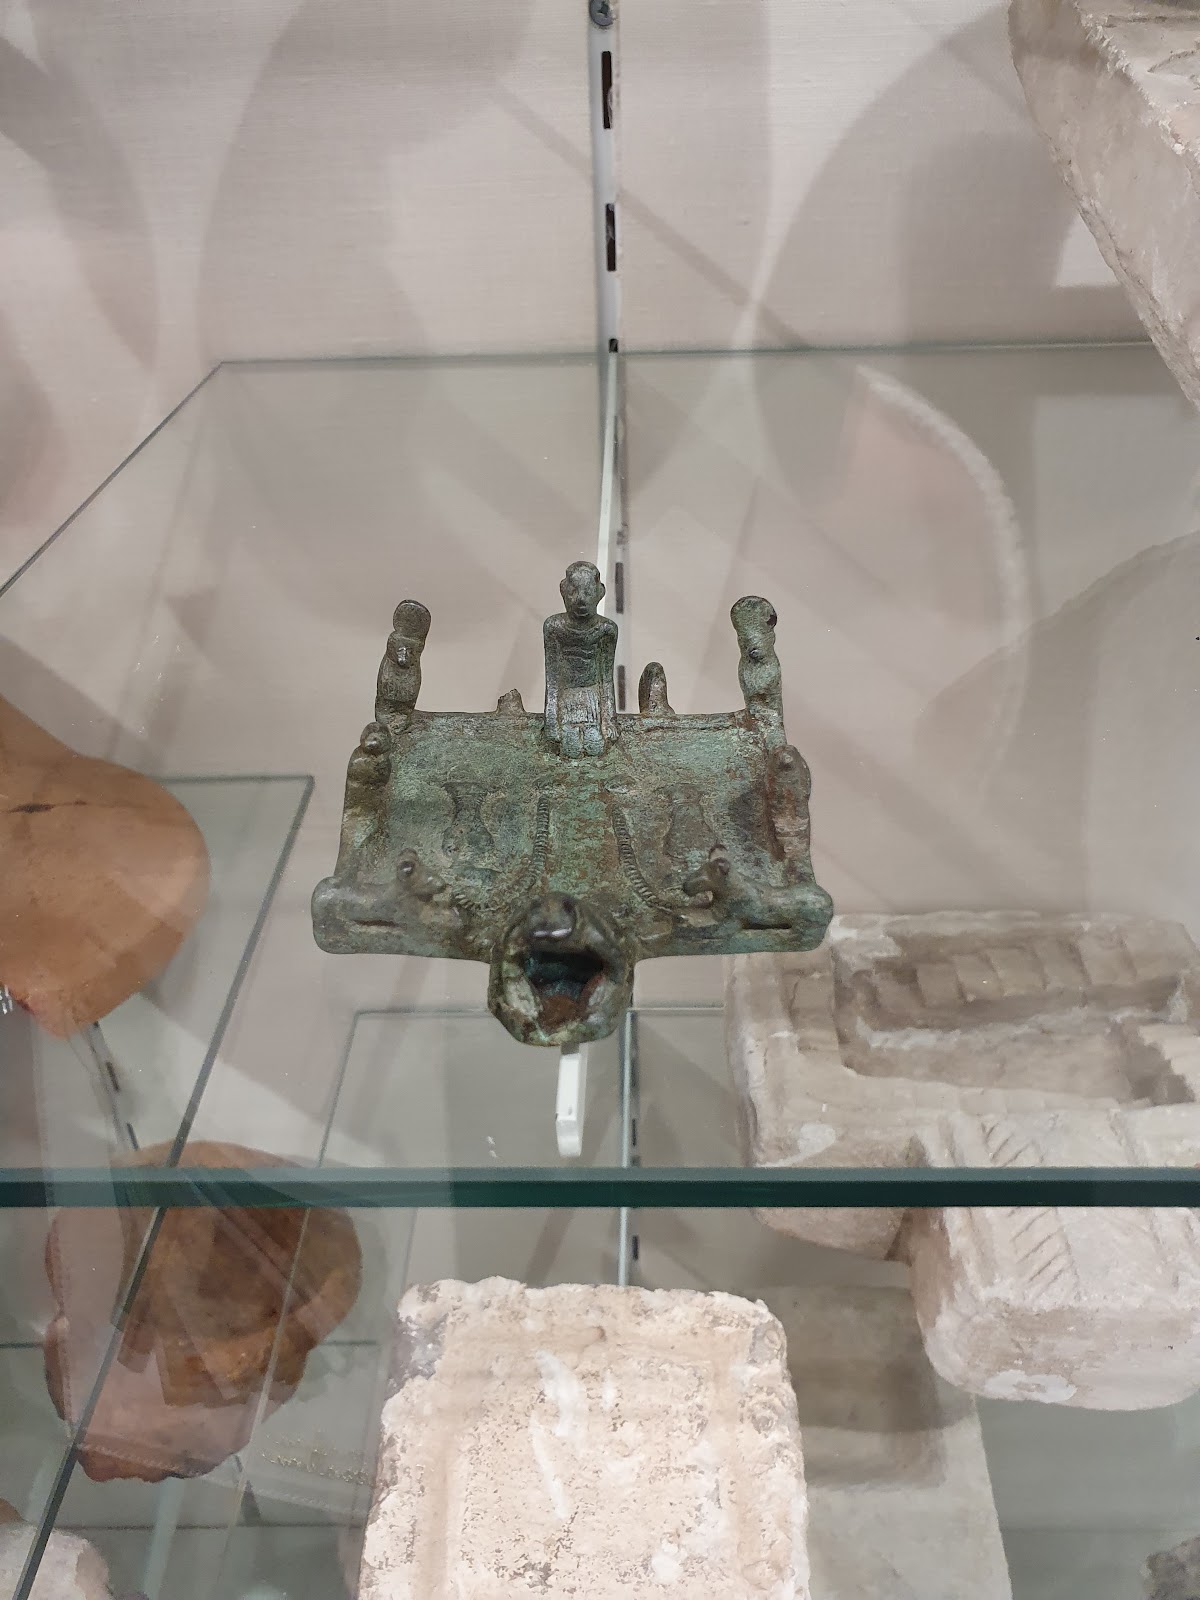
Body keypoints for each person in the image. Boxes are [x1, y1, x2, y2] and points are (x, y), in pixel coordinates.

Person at [543, 562, 619, 757]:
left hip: (593, 701)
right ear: (563, 591)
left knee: (595, 748)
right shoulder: (554, 627)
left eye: (587, 592)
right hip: (566, 700)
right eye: (574, 592)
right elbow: (552, 679)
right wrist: (551, 720)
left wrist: (609, 719)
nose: (581, 600)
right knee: (570, 750)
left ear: (600, 593)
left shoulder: (606, 630)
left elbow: (606, 678)